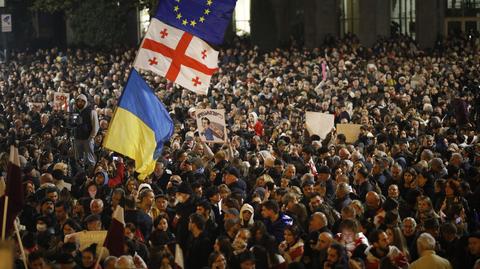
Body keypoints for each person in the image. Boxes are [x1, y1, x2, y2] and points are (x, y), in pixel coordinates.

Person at [73, 94, 99, 168]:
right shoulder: (75, 111)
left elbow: (96, 126)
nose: (80, 103)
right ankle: (80, 173)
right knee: (78, 158)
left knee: (89, 158)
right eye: (78, 101)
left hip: (88, 138)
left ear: (85, 102)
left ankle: (91, 173)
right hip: (77, 138)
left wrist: (91, 137)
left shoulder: (91, 111)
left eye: (82, 101)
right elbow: (72, 124)